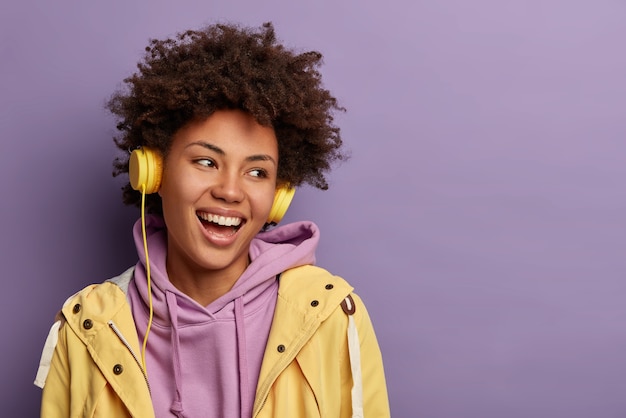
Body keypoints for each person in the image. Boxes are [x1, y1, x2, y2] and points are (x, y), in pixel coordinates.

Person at [34, 22, 390, 417]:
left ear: (278, 197)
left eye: (257, 172)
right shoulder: (85, 327)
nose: (231, 191)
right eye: (206, 162)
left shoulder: (333, 316)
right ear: (153, 172)